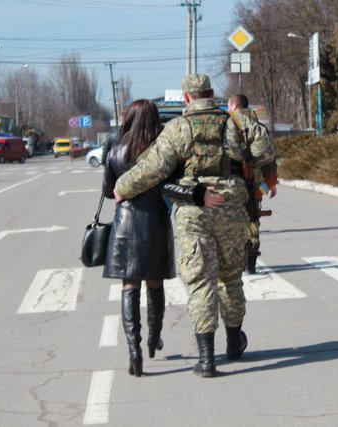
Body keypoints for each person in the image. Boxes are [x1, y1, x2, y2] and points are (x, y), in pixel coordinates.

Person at [114, 74, 276, 378]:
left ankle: (206, 359)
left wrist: (122, 186)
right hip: (232, 208)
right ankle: (233, 341)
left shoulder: (178, 128)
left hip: (194, 210)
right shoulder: (236, 122)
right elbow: (266, 152)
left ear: (187, 98)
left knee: (200, 281)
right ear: (212, 94)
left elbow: (153, 168)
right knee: (230, 279)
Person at [102, 99, 176, 377]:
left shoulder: (116, 149)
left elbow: (109, 191)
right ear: (155, 119)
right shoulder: (162, 149)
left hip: (124, 225)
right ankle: (154, 338)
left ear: (129, 119)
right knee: (155, 284)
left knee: (129, 285)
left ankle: (134, 351)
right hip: (156, 222)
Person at [227, 94, 278, 274]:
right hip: (256, 186)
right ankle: (251, 263)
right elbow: (271, 160)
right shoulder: (260, 127)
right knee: (253, 220)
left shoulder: (227, 124)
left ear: (233, 106)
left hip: (231, 185)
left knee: (231, 223)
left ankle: (235, 261)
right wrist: (269, 185)